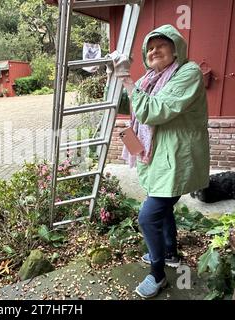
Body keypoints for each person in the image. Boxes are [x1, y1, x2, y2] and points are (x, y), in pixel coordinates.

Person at [112, 24, 210, 298]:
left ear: (176, 47)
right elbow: (130, 106)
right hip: (158, 156)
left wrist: (127, 80)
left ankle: (158, 276)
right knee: (163, 207)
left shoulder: (186, 72)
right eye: (150, 47)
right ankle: (170, 254)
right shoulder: (149, 79)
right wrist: (120, 79)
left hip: (178, 158)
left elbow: (153, 111)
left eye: (161, 45)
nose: (154, 50)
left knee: (148, 216)